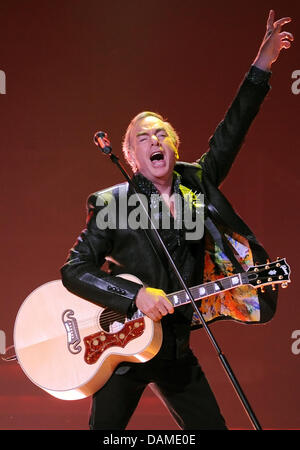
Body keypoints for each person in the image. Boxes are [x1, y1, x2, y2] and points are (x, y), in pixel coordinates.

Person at [61, 11, 293, 430]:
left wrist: (262, 66)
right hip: (122, 351)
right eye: (143, 137)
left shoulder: (196, 185)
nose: (155, 140)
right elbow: (74, 270)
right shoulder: (112, 202)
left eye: (162, 133)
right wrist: (134, 297)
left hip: (175, 350)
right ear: (130, 156)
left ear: (174, 145)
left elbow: (232, 130)